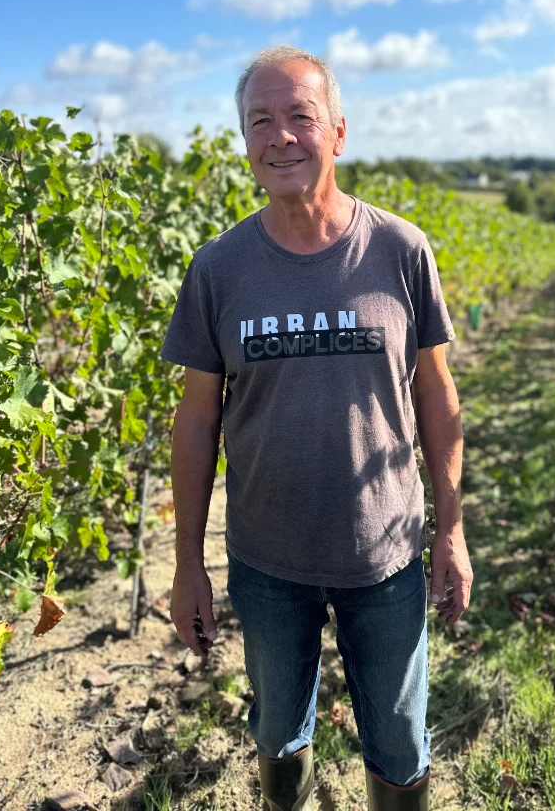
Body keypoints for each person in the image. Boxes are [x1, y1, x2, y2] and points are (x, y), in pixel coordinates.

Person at [161, 46, 472, 811]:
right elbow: (197, 419)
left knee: (399, 741)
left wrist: (452, 530)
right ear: (245, 142)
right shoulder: (218, 268)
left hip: (385, 554)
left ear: (338, 131)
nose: (280, 136)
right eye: (259, 121)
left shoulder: (400, 249)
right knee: (276, 732)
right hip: (267, 562)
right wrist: (187, 562)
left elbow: (436, 393)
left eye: (299, 116)